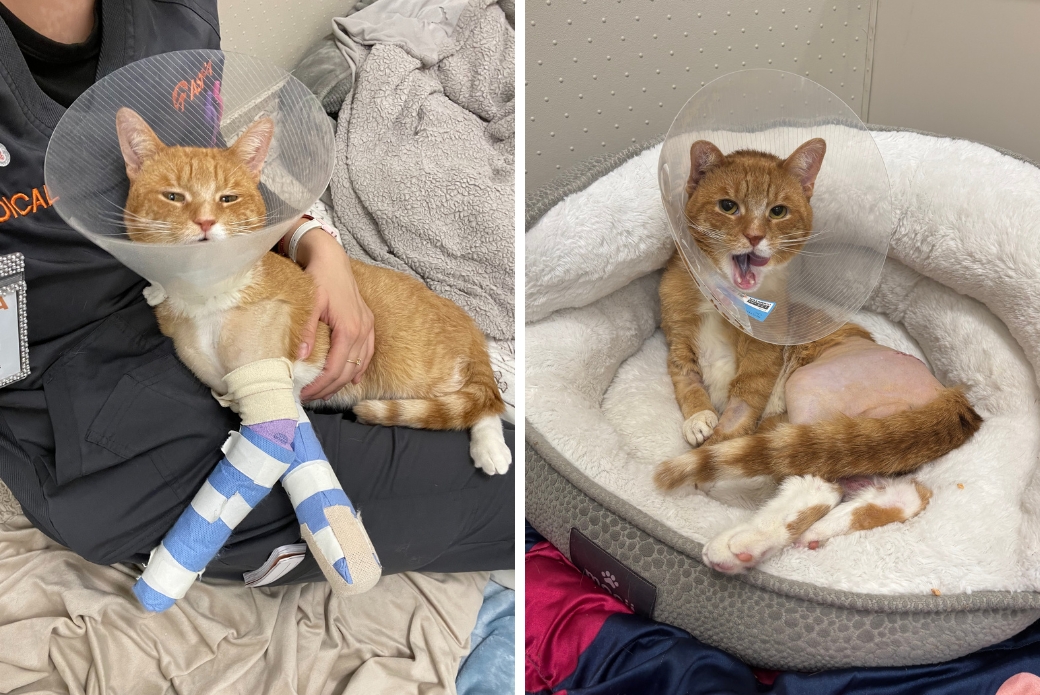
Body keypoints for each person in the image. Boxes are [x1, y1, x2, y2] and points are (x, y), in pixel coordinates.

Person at [0, 0, 514, 584]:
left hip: (214, 295)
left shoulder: (179, 13)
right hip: (77, 376)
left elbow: (209, 168)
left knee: (494, 465)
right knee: (502, 496)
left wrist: (313, 240)